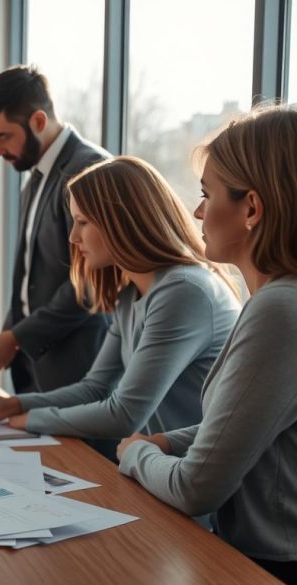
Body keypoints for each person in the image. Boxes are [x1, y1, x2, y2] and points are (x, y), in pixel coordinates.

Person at [115, 106, 297, 583]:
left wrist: (135, 454)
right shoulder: (273, 300)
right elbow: (244, 428)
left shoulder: (279, 311)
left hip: (269, 567)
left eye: (206, 194)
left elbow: (198, 488)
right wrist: (164, 441)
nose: (196, 211)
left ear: (252, 209)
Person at [0, 157, 240, 457]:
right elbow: (94, 387)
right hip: (162, 472)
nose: (72, 237)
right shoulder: (131, 294)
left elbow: (124, 414)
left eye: (82, 223)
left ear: (121, 222)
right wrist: (12, 405)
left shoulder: (183, 292)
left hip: (195, 481)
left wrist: (28, 421)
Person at [0, 65, 110, 392]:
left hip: (79, 368)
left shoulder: (89, 170)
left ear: (39, 121)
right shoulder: (34, 182)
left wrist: (16, 338)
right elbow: (30, 277)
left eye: (3, 136)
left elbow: (89, 282)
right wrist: (7, 337)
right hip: (34, 368)